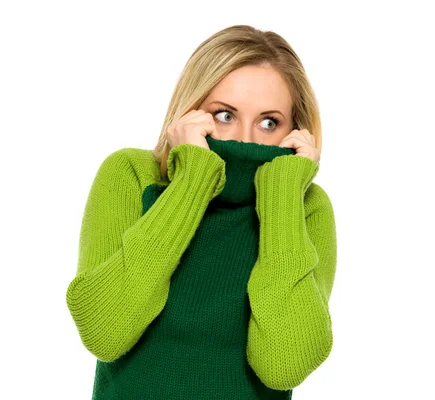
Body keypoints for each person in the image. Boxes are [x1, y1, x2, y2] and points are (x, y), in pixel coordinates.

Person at [65, 24, 337, 399]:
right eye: (225, 115)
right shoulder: (131, 176)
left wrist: (282, 199)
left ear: (295, 130)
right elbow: (104, 332)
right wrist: (192, 181)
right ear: (191, 113)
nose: (245, 139)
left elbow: (283, 364)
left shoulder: (305, 207)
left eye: (269, 122)